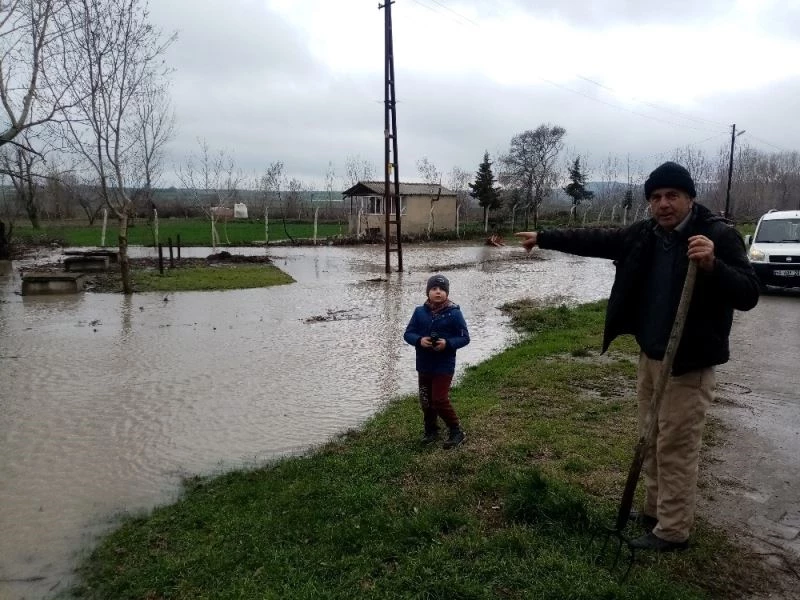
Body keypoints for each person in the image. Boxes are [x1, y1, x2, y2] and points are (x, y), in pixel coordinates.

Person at [515, 161, 760, 552]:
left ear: (690, 198)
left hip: (688, 362)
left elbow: (748, 294)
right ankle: (653, 510)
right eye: (656, 197)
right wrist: (544, 237)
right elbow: (597, 240)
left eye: (672, 196)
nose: (663, 204)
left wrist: (713, 265)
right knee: (650, 438)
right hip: (651, 354)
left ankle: (673, 530)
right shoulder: (646, 234)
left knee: (676, 446)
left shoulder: (716, 235)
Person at [403, 274, 471, 449]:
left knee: (439, 399)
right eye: (434, 289)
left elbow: (464, 338)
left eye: (442, 289)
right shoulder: (419, 312)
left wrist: (447, 344)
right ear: (428, 292)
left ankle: (456, 431)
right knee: (426, 401)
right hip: (424, 365)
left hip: (444, 365)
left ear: (447, 293)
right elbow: (408, 334)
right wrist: (419, 340)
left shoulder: (454, 313)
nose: (438, 292)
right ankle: (431, 430)